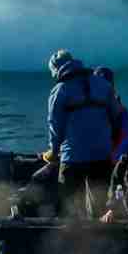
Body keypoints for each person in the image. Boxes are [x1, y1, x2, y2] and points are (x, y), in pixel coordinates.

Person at [43, 49, 117, 218]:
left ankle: (72, 241)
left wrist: (54, 151)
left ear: (56, 69)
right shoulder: (102, 84)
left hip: (73, 158)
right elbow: (115, 116)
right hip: (102, 155)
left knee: (69, 208)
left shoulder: (59, 90)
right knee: (99, 207)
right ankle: (101, 240)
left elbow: (55, 126)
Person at [95, 66, 128, 164]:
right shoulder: (120, 109)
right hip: (109, 159)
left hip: (103, 160)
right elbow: (126, 137)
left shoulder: (87, 109)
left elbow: (126, 136)